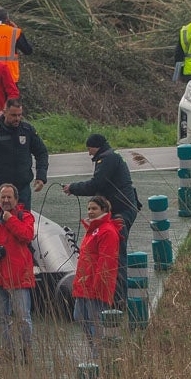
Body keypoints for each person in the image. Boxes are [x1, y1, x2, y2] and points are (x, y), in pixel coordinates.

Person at [64, 133, 139, 310]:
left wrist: (72, 188)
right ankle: (114, 298)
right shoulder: (110, 156)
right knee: (112, 255)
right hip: (122, 209)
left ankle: (118, 301)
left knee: (116, 257)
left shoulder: (107, 159)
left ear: (95, 146)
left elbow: (96, 184)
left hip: (121, 212)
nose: (89, 153)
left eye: (89, 148)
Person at [0, 183, 36, 361]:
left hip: (18, 274)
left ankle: (27, 352)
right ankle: (8, 351)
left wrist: (10, 219)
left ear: (16, 199)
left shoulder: (25, 216)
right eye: (3, 197)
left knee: (23, 317)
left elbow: (27, 236)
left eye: (9, 197)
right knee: (1, 317)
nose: (5, 200)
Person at [0, 98, 48, 212]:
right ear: (4, 112)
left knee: (22, 225)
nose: (17, 119)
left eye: (20, 115)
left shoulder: (27, 130)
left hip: (22, 188)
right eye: (13, 115)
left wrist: (41, 176)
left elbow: (42, 152)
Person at [72, 196, 123, 350]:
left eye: (94, 208)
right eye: (89, 209)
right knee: (79, 316)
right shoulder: (94, 229)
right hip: (84, 283)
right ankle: (94, 346)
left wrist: (98, 285)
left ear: (104, 210)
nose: (90, 212)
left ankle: (98, 351)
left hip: (95, 284)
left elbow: (106, 261)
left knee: (95, 320)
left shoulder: (106, 231)